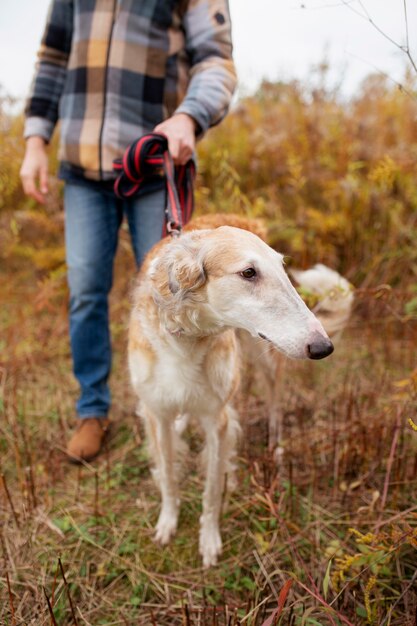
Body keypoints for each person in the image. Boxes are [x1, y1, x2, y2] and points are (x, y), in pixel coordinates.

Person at [20, 0, 236, 463]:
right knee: (85, 292)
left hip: (156, 166)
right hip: (81, 168)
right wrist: (36, 139)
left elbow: (216, 62)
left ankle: (176, 402)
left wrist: (190, 115)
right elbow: (53, 57)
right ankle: (93, 410)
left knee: (172, 293)